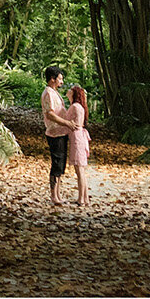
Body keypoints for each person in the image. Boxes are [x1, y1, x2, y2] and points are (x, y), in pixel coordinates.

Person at [39, 66, 71, 204]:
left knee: (61, 164)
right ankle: (53, 195)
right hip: (54, 133)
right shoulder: (48, 93)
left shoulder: (54, 92)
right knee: (56, 163)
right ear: (52, 79)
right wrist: (66, 122)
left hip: (61, 132)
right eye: (60, 79)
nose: (61, 82)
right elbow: (50, 114)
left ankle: (58, 194)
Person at [65, 84, 93, 207]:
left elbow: (66, 121)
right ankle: (85, 198)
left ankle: (81, 199)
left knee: (79, 170)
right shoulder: (79, 106)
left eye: (70, 90)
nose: (68, 91)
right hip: (80, 137)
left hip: (76, 138)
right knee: (81, 170)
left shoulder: (74, 107)